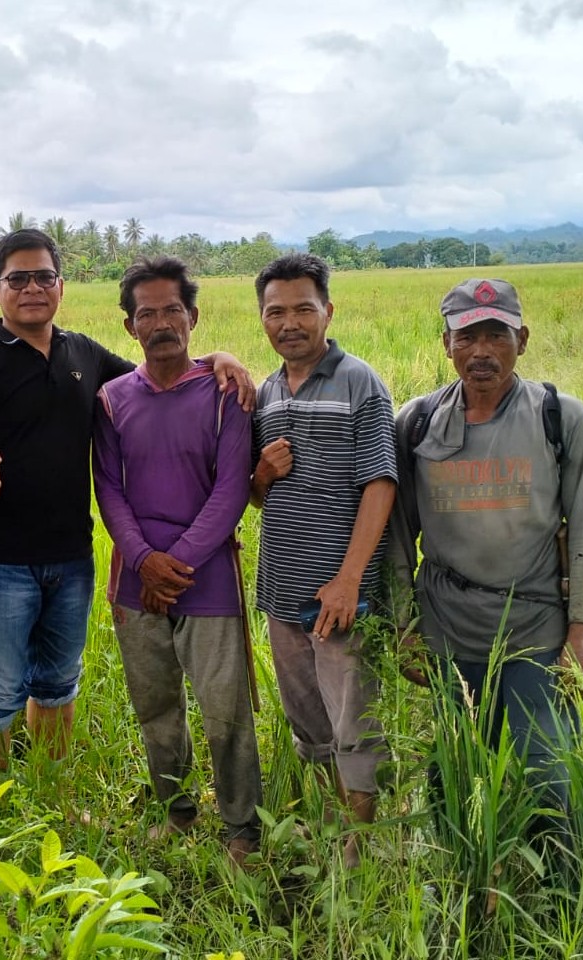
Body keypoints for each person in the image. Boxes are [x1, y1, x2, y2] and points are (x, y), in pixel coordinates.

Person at [0, 229, 253, 775]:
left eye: (43, 277)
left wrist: (216, 358)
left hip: (70, 558)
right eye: (18, 278)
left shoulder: (80, 352)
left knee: (58, 682)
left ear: (61, 286)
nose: (32, 288)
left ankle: (49, 788)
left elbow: (157, 373)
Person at [388, 277, 583, 846]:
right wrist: (404, 625)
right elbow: (396, 534)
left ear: (522, 340)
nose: (481, 351)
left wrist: (580, 633)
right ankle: (461, 876)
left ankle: (561, 884)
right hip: (448, 626)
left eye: (496, 335)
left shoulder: (560, 417)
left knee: (550, 775)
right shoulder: (415, 422)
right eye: (467, 337)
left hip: (535, 627)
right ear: (446, 344)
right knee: (454, 772)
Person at [92, 257, 262, 865]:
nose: (161, 323)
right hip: (135, 581)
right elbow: (108, 489)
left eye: (172, 310)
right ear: (129, 326)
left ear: (193, 316)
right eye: (147, 314)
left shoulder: (225, 393)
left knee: (225, 710)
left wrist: (176, 564)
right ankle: (177, 810)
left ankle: (242, 827)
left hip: (209, 577)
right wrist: (143, 560)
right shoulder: (111, 399)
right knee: (156, 706)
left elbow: (232, 489)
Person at [249, 252, 397, 866]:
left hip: (339, 597)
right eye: (275, 312)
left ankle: (357, 856)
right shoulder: (265, 393)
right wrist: (262, 473)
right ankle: (328, 832)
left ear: (327, 312)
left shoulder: (360, 383)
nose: (289, 323)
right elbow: (259, 496)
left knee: (353, 726)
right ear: (262, 318)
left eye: (303, 309)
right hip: (282, 592)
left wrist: (349, 579)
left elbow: (380, 483)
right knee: (309, 725)